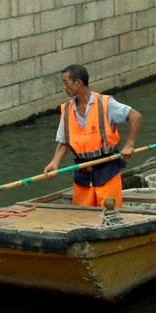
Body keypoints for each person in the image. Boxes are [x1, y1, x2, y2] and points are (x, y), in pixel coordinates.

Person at [44, 64, 142, 208]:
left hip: (107, 171)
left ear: (78, 83)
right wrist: (55, 163)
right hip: (82, 174)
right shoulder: (67, 109)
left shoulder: (105, 103)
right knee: (82, 215)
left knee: (109, 213)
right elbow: (64, 141)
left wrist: (129, 145)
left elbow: (135, 116)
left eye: (65, 82)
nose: (64, 87)